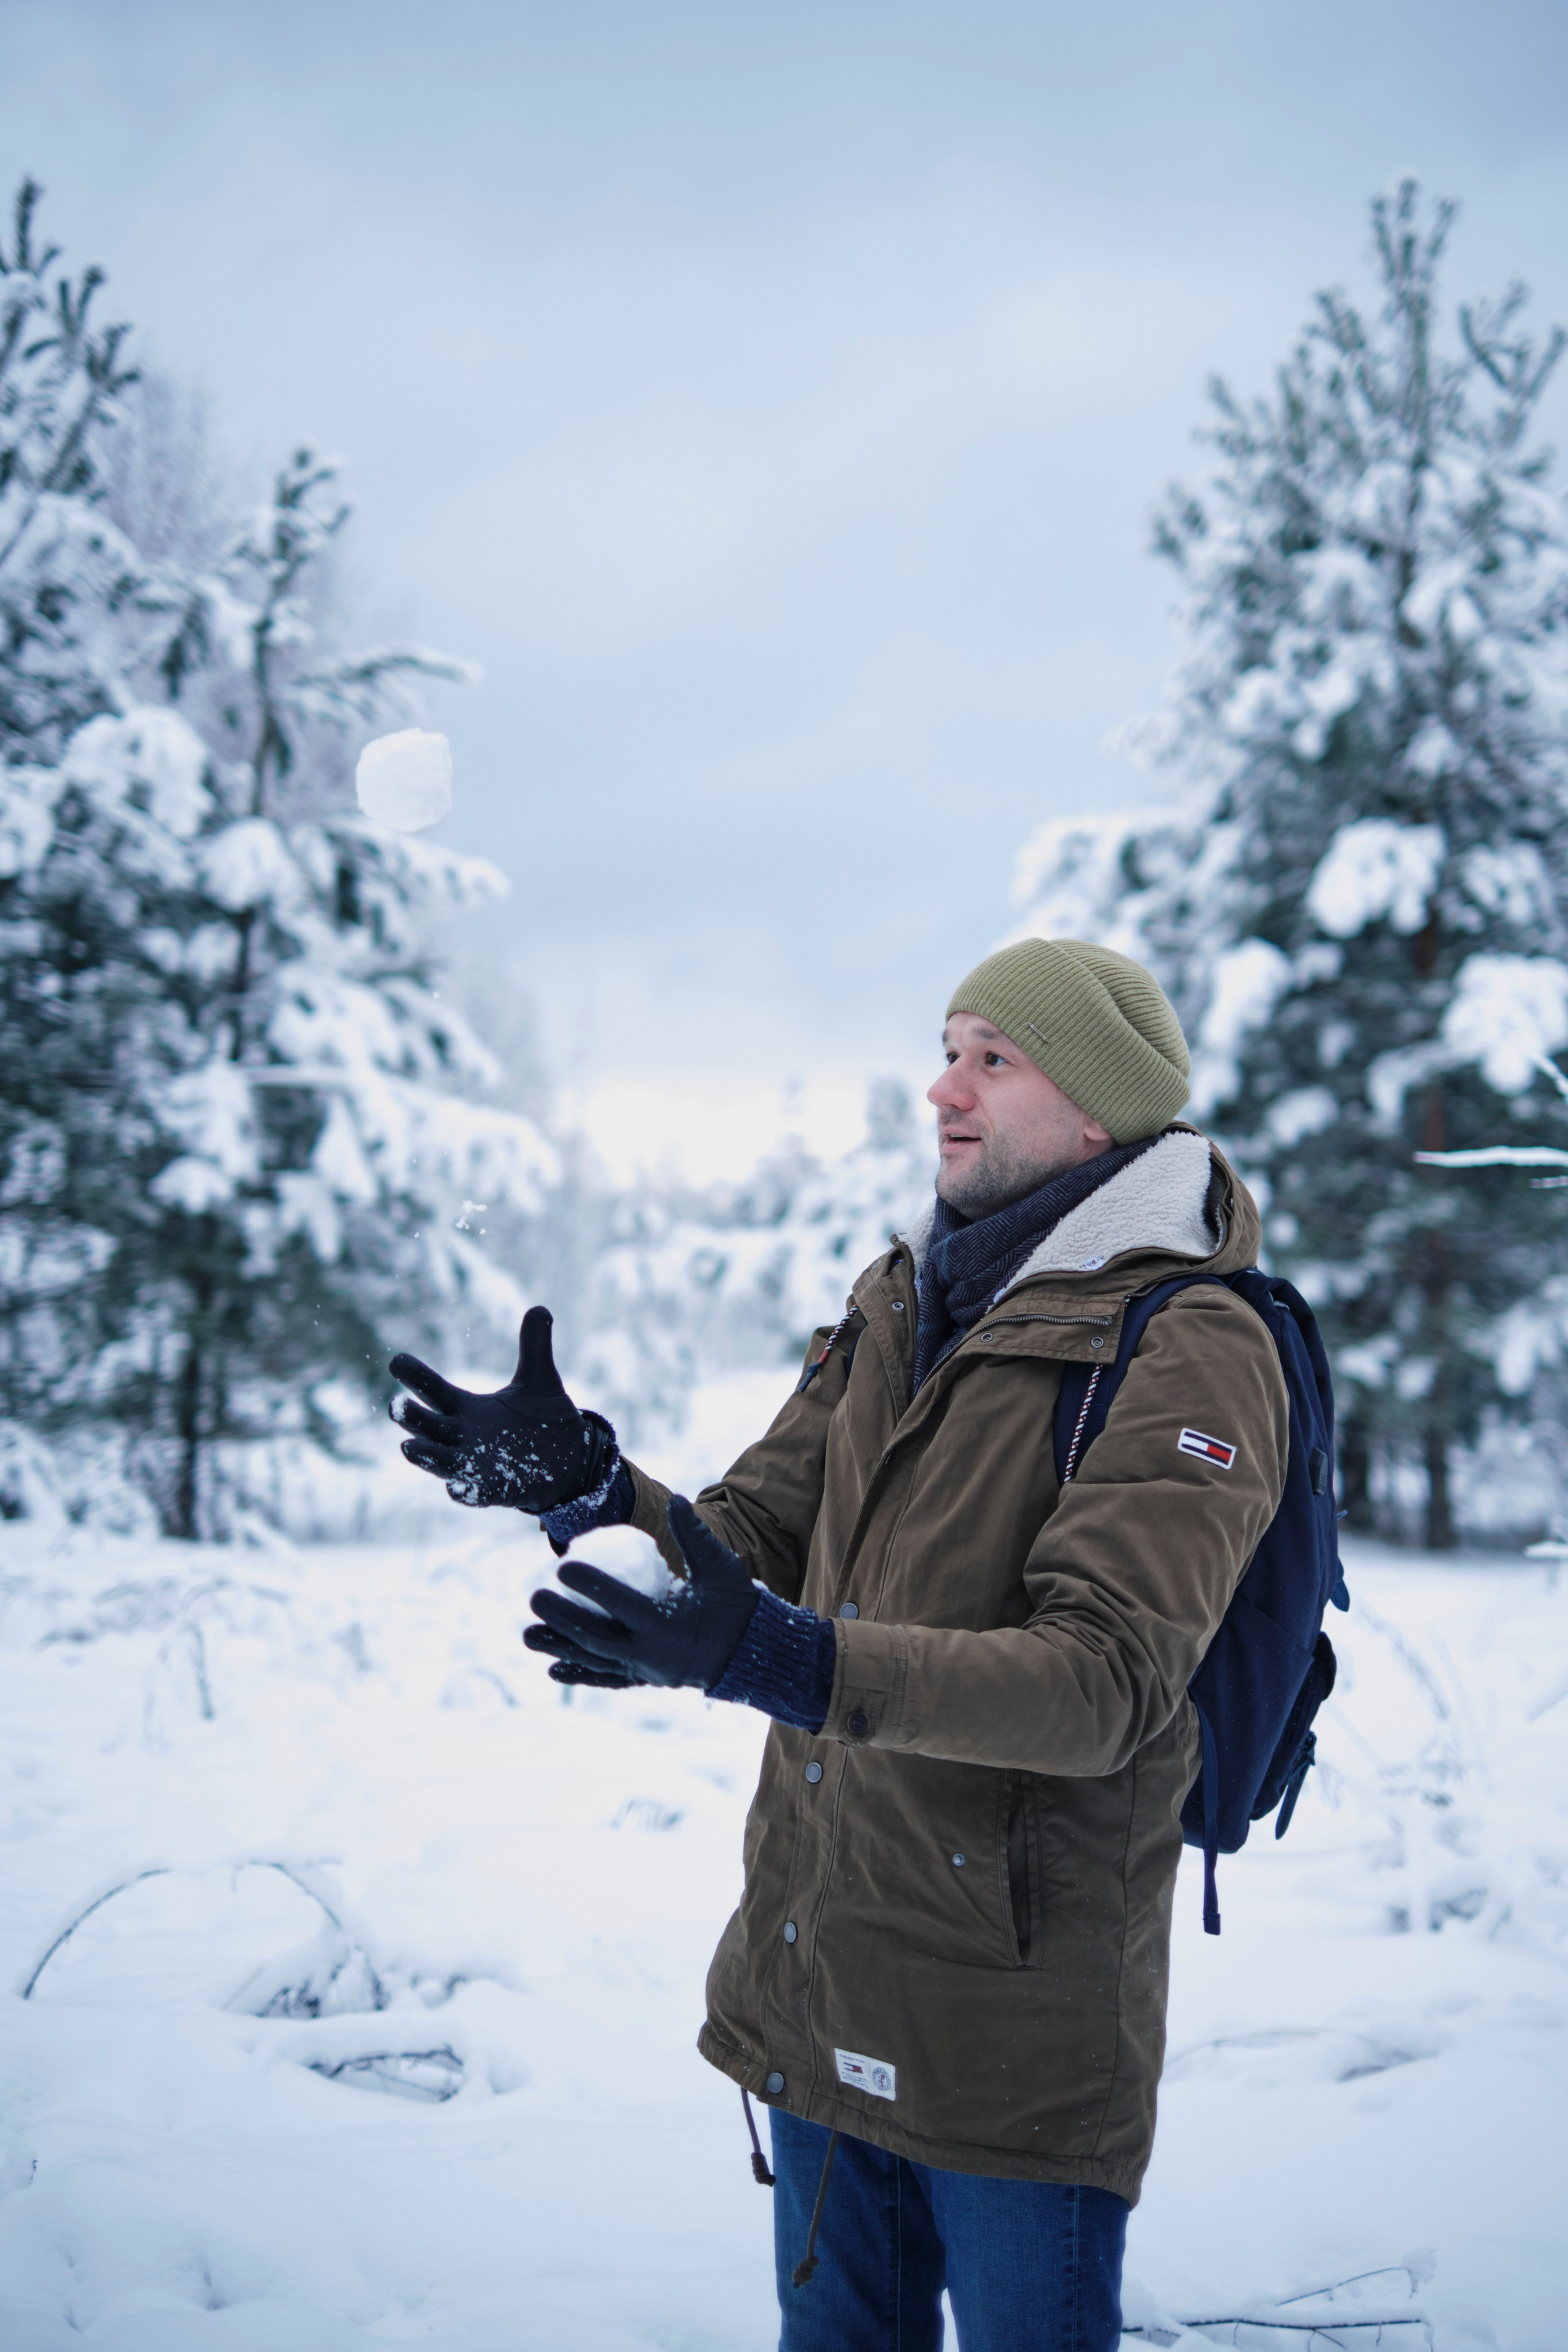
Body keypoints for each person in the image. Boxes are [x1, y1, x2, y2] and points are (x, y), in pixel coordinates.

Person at [390, 938, 1289, 2352]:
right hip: (818, 1975)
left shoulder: (1187, 1342)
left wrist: (790, 1666)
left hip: (1011, 2038)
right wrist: (581, 1490)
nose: (944, 1089)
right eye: (947, 1048)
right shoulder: (901, 1297)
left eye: (994, 1060)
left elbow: (1102, 1683)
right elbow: (750, 1538)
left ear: (1098, 1112)